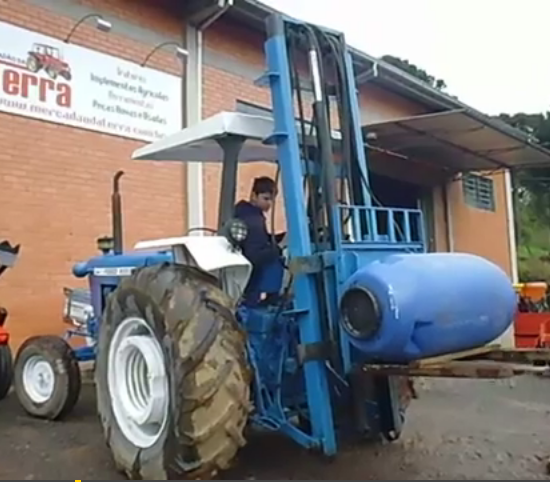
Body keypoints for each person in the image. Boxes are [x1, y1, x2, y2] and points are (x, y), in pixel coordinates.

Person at [234, 176, 285, 306]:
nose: (269, 204)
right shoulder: (253, 220)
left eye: (272, 200)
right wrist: (278, 248)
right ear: (253, 196)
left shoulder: (246, 213)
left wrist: (281, 238)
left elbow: (260, 238)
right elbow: (255, 255)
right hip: (252, 281)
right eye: (266, 199)